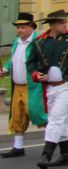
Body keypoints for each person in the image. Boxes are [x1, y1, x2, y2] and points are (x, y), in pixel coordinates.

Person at [29, 9, 68, 169]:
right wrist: (36, 74)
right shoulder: (39, 42)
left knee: (55, 119)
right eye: (61, 22)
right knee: (59, 121)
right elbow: (31, 63)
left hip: (66, 86)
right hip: (49, 88)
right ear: (52, 25)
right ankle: (66, 155)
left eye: (65, 22)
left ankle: (46, 155)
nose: (65, 25)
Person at [1, 12, 43, 158]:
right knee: (17, 116)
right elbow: (13, 59)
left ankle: (53, 143)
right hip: (17, 86)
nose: (20, 30)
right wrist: (5, 69)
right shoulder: (16, 42)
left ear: (32, 27)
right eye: (18, 27)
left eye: (23, 27)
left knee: (38, 114)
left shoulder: (38, 42)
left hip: (33, 87)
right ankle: (18, 147)